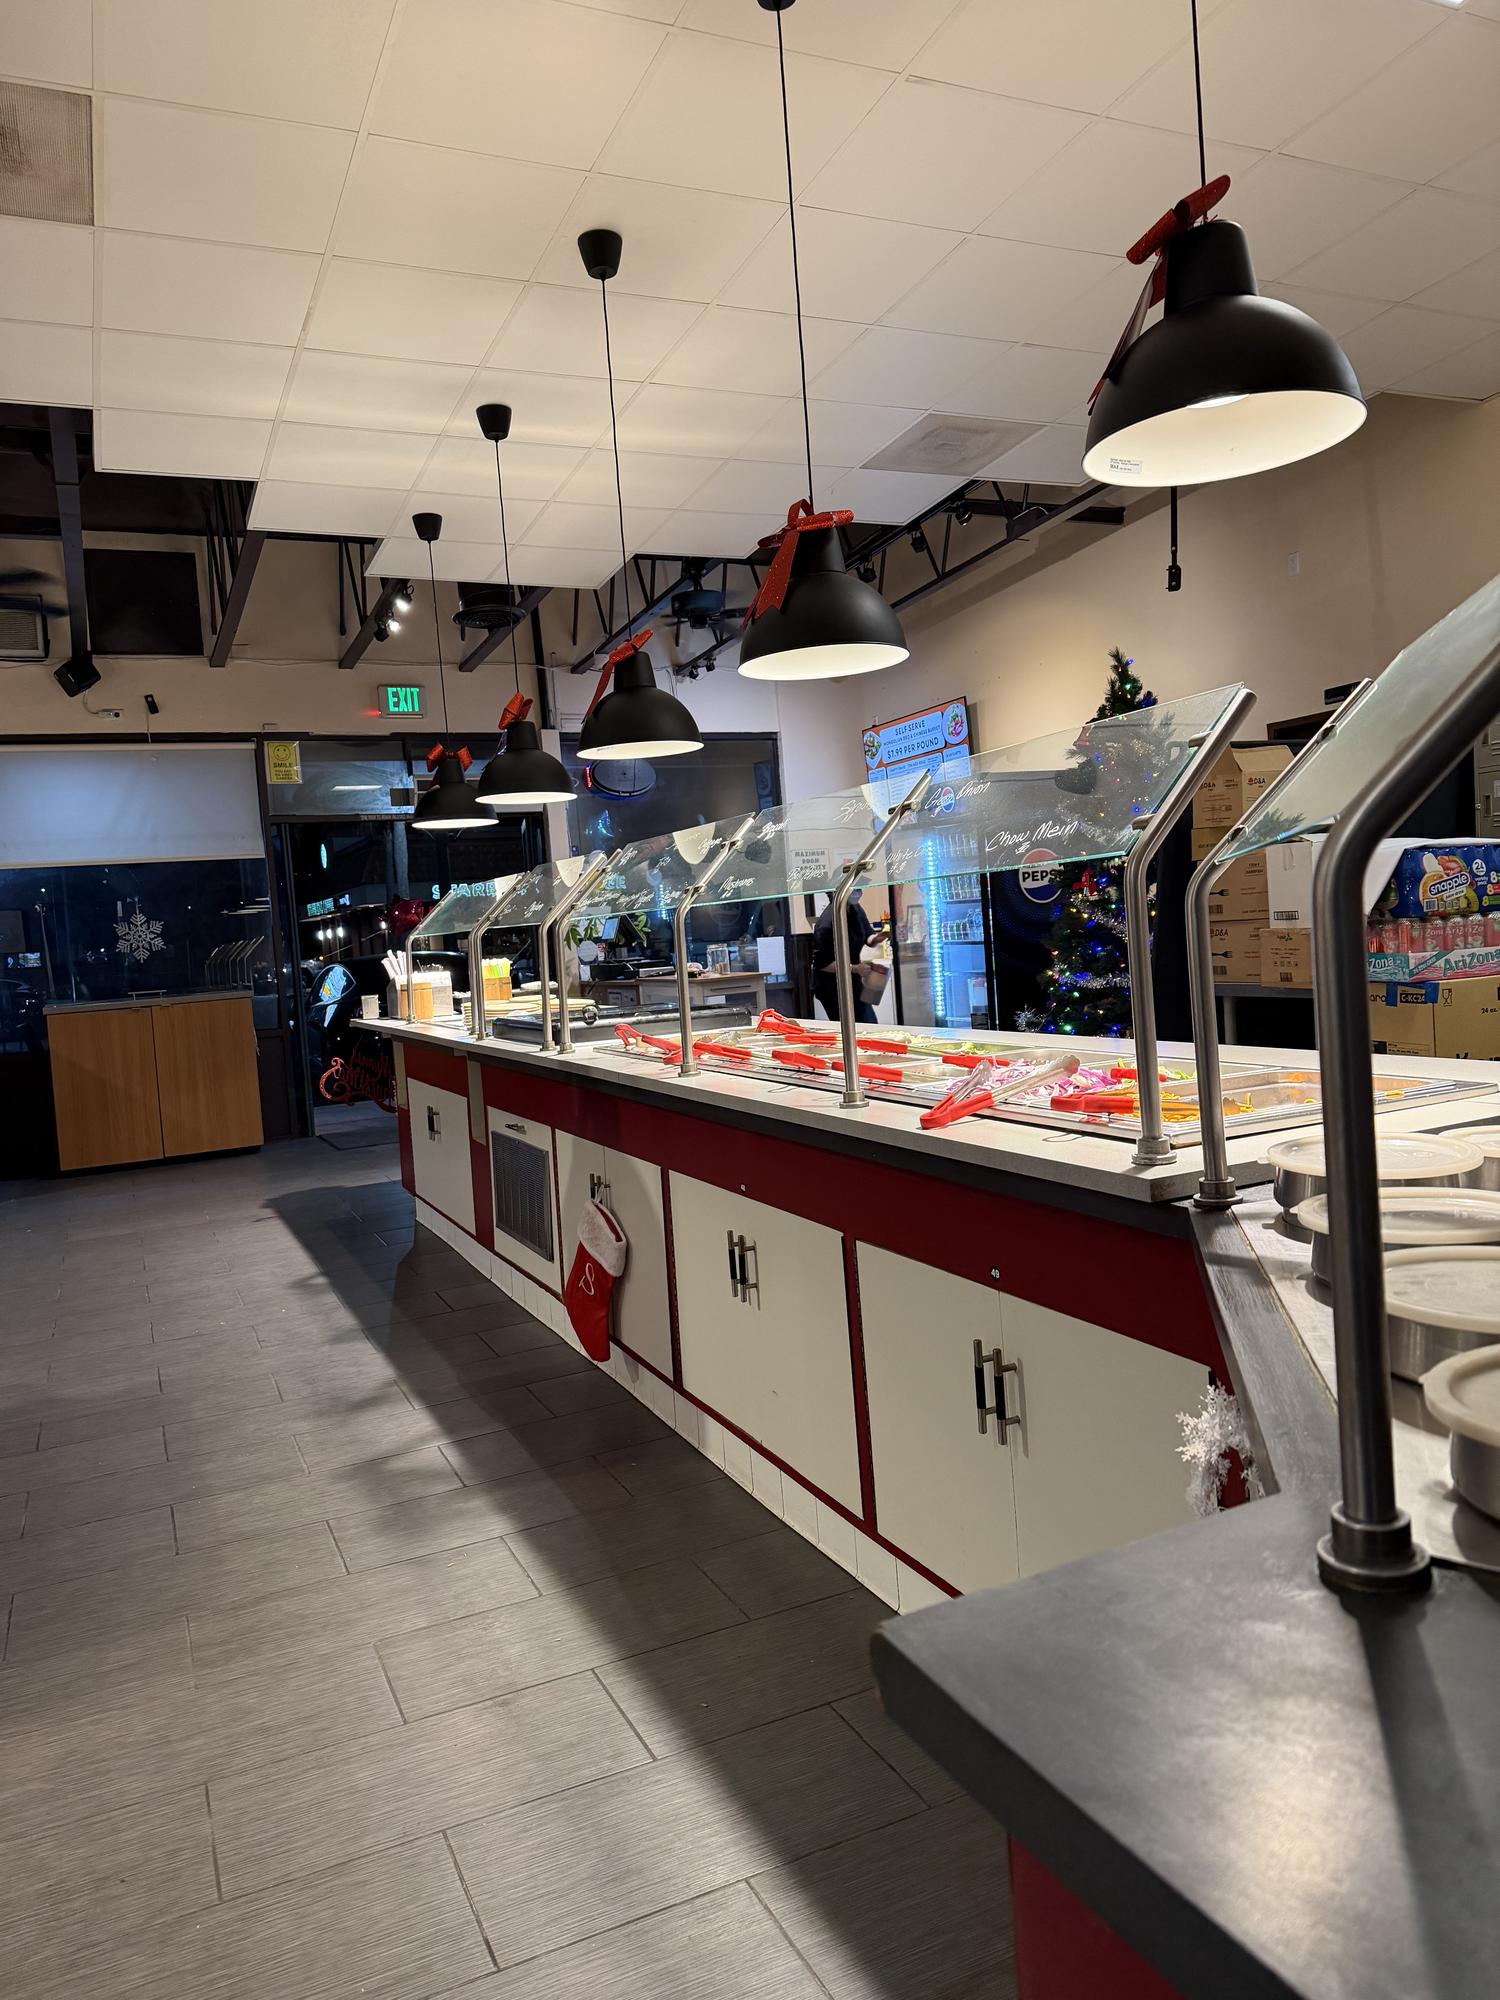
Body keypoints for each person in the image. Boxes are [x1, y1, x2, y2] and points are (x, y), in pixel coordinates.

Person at [811, 888, 883, 1023]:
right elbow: (822, 964)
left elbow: (868, 935)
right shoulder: (826, 923)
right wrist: (854, 968)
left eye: (859, 888)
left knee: (869, 1023)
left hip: (853, 982)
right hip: (832, 987)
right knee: (851, 1026)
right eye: (853, 889)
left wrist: (878, 938)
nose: (858, 892)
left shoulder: (855, 909)